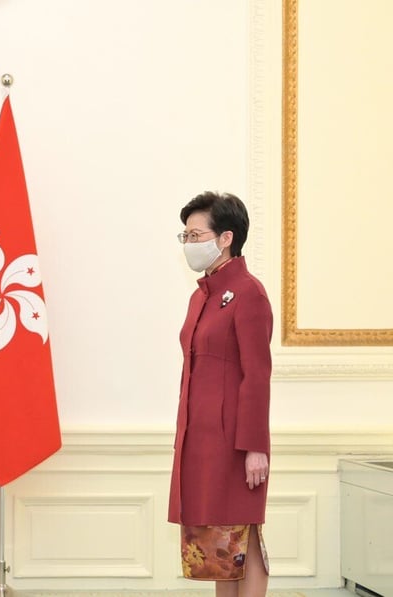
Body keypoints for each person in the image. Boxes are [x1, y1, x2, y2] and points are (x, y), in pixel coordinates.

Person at [168, 191, 273, 597]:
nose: (189, 244)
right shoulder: (202, 296)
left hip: (234, 444)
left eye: (196, 235)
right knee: (217, 541)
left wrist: (255, 447)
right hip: (199, 442)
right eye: (186, 236)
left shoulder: (249, 293)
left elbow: (257, 375)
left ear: (225, 237)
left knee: (242, 533)